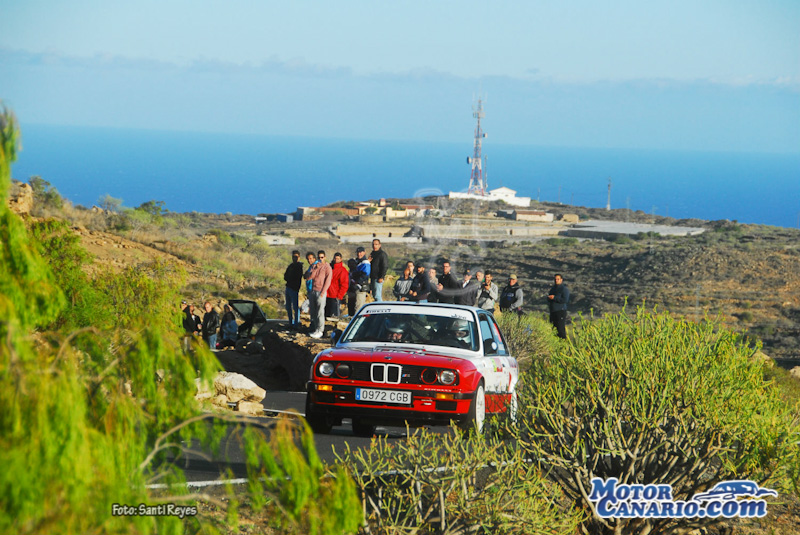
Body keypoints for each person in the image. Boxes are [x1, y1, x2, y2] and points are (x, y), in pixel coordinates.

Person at [304, 250, 332, 338]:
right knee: (314, 311)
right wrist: (315, 269)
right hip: (313, 290)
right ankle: (316, 329)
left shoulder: (327, 267)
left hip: (321, 291)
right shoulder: (315, 266)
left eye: (322, 257)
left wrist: (323, 292)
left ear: (325, 257)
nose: (321, 259)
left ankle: (320, 330)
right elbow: (309, 277)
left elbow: (328, 281)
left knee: (320, 311)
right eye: (319, 257)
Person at [283, 250, 304, 328]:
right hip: (288, 287)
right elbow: (285, 276)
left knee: (295, 307)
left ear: (299, 257)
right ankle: (290, 322)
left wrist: (290, 278)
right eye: (293, 257)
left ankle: (296, 322)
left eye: (296, 257)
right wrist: (289, 278)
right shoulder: (291, 266)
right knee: (288, 306)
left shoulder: (299, 267)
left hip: (294, 288)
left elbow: (297, 277)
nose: (294, 258)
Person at [326, 252, 349, 318]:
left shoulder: (342, 270)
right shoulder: (329, 268)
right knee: (326, 315)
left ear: (341, 259)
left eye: (338, 259)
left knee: (334, 317)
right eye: (335, 258)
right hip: (327, 294)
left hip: (335, 296)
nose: (336, 260)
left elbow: (344, 284)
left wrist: (340, 295)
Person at [547, 273, 570, 339]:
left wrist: (554, 298)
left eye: (558, 279)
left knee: (560, 329)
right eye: (555, 279)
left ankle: (563, 344)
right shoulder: (553, 289)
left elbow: (565, 300)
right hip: (553, 311)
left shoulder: (564, 289)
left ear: (561, 280)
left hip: (560, 311)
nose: (556, 280)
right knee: (553, 329)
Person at [350, 247, 371, 313]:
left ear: (364, 252)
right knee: (353, 305)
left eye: (361, 252)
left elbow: (365, 275)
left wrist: (357, 281)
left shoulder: (365, 263)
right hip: (354, 287)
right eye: (358, 252)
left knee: (359, 306)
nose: (359, 254)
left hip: (361, 287)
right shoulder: (357, 262)